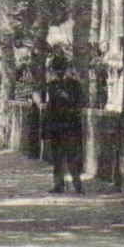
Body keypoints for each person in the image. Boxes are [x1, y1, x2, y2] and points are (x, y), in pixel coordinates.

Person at [37, 55, 85, 195]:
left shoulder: (75, 85)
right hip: (57, 128)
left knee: (73, 158)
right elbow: (50, 108)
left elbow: (80, 104)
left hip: (71, 127)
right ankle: (59, 185)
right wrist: (46, 129)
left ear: (66, 69)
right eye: (57, 70)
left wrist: (67, 98)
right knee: (57, 158)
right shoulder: (52, 86)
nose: (59, 72)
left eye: (61, 69)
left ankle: (77, 185)